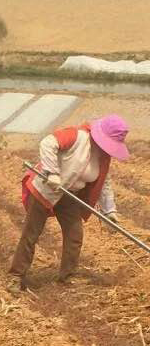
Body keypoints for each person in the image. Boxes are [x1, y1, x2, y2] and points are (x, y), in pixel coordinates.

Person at [9, 114, 130, 291]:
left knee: (74, 235)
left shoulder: (103, 157)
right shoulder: (77, 136)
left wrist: (109, 211)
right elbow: (47, 143)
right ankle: (16, 276)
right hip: (46, 189)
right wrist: (52, 172)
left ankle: (68, 275)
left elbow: (104, 182)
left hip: (70, 195)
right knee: (31, 233)